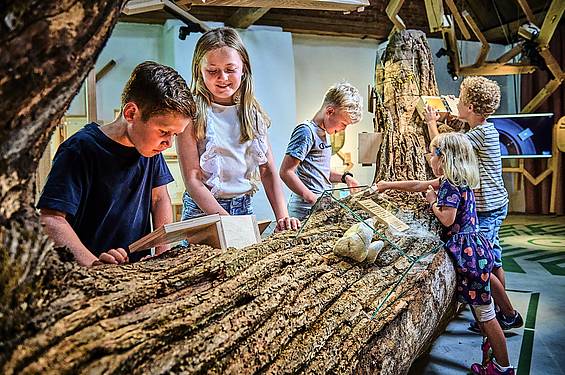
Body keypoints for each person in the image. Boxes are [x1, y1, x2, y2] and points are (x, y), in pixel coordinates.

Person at [377, 132, 514, 375]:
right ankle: (495, 357)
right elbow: (418, 185)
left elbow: (447, 219)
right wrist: (388, 185)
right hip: (475, 250)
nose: (429, 157)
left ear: (443, 157)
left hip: (468, 254)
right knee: (483, 311)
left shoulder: (450, 185)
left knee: (486, 315)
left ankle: (503, 368)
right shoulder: (457, 180)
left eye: (432, 153)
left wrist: (431, 201)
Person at [38, 61, 195, 266]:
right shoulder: (79, 150)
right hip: (87, 270)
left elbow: (159, 199)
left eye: (175, 134)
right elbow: (51, 219)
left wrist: (161, 253)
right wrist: (94, 266)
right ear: (131, 113)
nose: (169, 143)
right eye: (164, 132)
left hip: (135, 270)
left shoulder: (149, 149)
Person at [176, 27, 299, 232]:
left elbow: (267, 171)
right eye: (212, 71)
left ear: (244, 69)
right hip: (203, 211)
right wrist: (228, 222)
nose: (222, 77)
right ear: (199, 70)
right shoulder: (191, 114)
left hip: (243, 207)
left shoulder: (253, 114)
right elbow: (193, 179)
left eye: (230, 69)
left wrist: (283, 217)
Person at [425, 76, 523, 332]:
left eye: (459, 98)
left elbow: (445, 150)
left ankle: (506, 314)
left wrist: (432, 124)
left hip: (487, 208)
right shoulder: (484, 129)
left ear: (469, 107)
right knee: (494, 259)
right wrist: (447, 118)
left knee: (485, 266)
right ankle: (502, 311)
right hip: (495, 204)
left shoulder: (476, 136)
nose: (455, 101)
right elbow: (460, 132)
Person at [279, 82, 363, 220]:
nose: (343, 129)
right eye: (343, 124)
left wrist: (345, 177)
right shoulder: (306, 132)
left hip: (318, 207)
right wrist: (312, 198)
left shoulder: (325, 134)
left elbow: (319, 172)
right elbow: (286, 172)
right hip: (303, 210)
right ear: (329, 111)